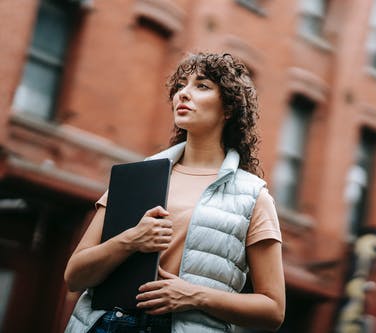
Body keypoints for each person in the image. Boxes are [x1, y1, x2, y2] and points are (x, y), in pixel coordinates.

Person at [64, 52, 285, 333]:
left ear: (228, 108)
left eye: (201, 86)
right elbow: (74, 276)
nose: (184, 93)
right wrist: (131, 240)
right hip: (108, 323)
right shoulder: (137, 177)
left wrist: (193, 295)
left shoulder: (252, 196)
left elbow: (273, 310)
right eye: (181, 85)